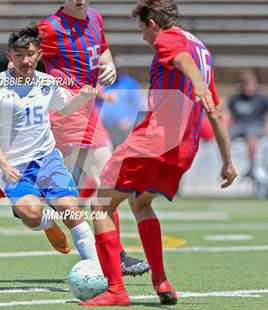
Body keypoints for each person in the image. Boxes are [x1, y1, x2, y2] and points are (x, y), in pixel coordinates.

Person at [79, 0, 238, 306]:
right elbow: (216, 112)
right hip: (184, 149)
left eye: (142, 30)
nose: (144, 38)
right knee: (140, 203)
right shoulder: (202, 49)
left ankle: (116, 290)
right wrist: (228, 162)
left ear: (152, 24)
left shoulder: (168, 38)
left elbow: (180, 60)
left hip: (155, 140)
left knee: (100, 205)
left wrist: (198, 85)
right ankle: (161, 282)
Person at [38, 0, 149, 277]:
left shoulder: (95, 19)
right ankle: (113, 253)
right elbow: (20, 57)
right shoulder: (49, 27)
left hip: (88, 112)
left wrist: (108, 65)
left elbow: (103, 51)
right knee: (97, 181)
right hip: (67, 111)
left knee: (101, 182)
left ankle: (114, 255)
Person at [0, 24, 100, 261]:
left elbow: (65, 108)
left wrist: (82, 98)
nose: (26, 61)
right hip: (15, 167)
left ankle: (96, 269)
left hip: (48, 159)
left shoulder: (47, 83)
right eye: (19, 55)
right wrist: (4, 165)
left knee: (71, 211)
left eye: (30, 54)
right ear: (9, 56)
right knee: (32, 215)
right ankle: (48, 225)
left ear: (40, 54)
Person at [228, 69, 268, 178]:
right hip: (238, 125)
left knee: (251, 137)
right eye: (245, 84)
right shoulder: (235, 98)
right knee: (223, 137)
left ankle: (251, 168)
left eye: (250, 84)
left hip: (255, 125)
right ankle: (227, 165)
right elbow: (229, 114)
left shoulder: (261, 99)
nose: (248, 87)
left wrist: (266, 127)